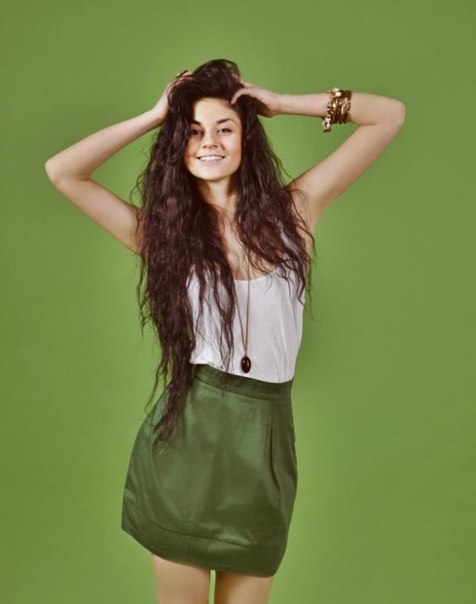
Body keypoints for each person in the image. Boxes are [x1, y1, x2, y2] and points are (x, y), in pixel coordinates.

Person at [44, 58, 405, 604]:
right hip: (187, 447)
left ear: (246, 139)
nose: (208, 142)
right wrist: (156, 115)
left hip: (263, 450)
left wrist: (282, 103)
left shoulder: (294, 214)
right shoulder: (163, 237)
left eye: (224, 128)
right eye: (192, 132)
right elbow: (63, 171)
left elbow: (389, 115)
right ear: (178, 147)